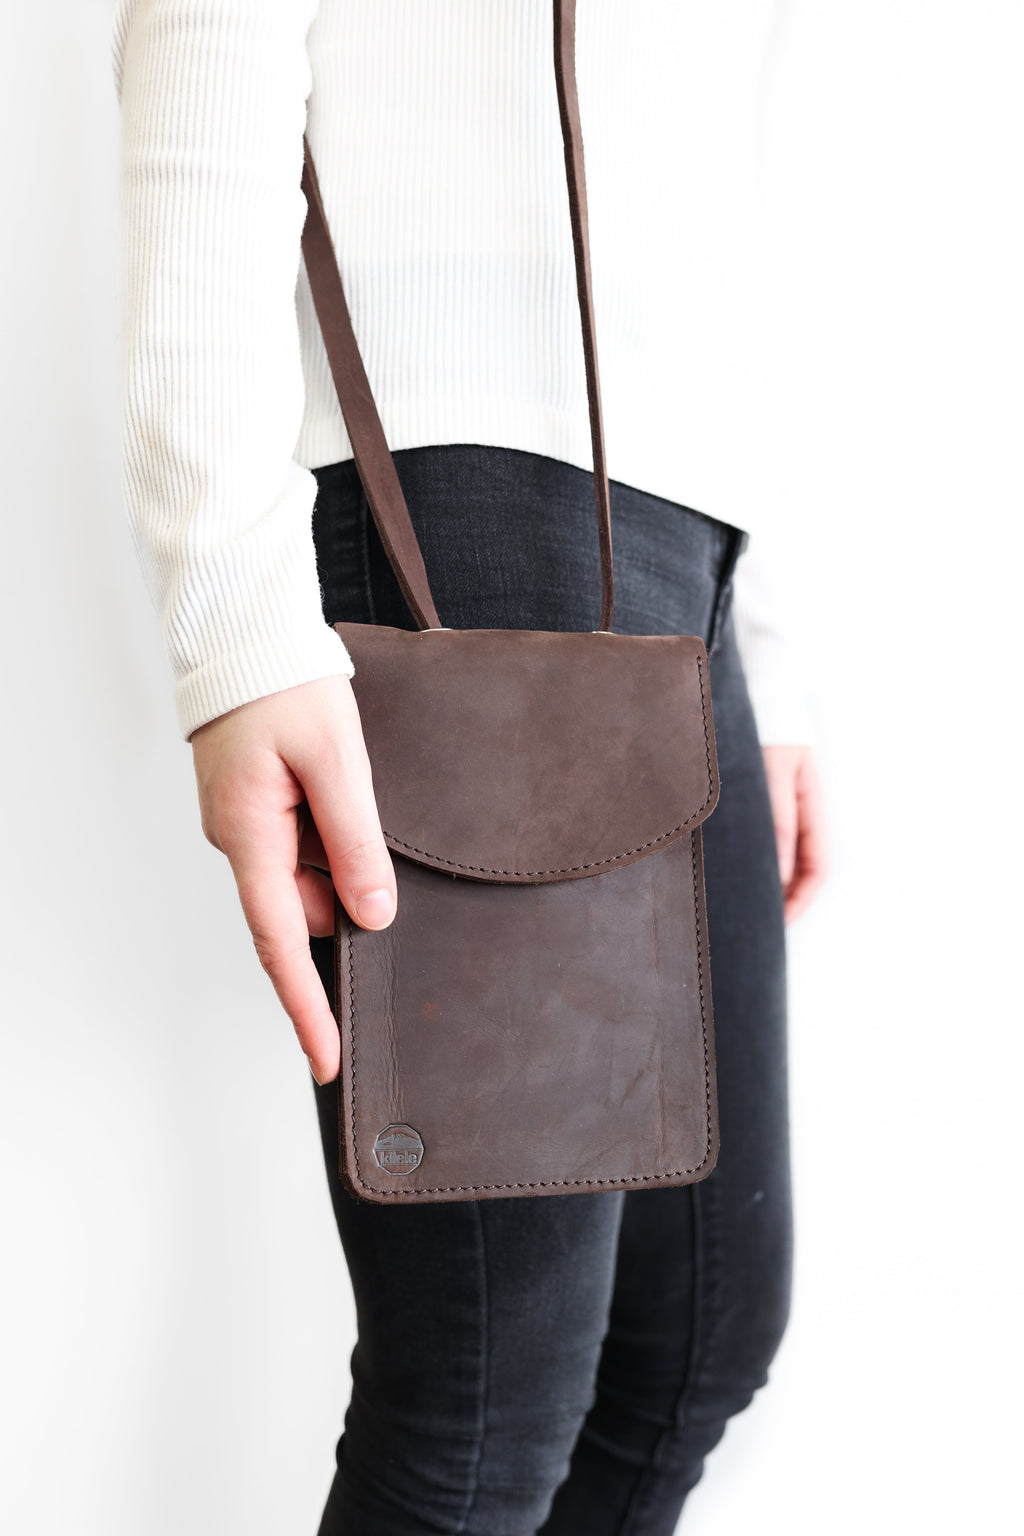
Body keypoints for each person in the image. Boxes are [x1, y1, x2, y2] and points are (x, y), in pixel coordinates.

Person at [113, 2, 827, 1531]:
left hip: (679, 539)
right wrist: (233, 620)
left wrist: (764, 644)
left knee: (689, 1345)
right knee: (489, 1396)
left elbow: (726, 145)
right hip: (466, 477)